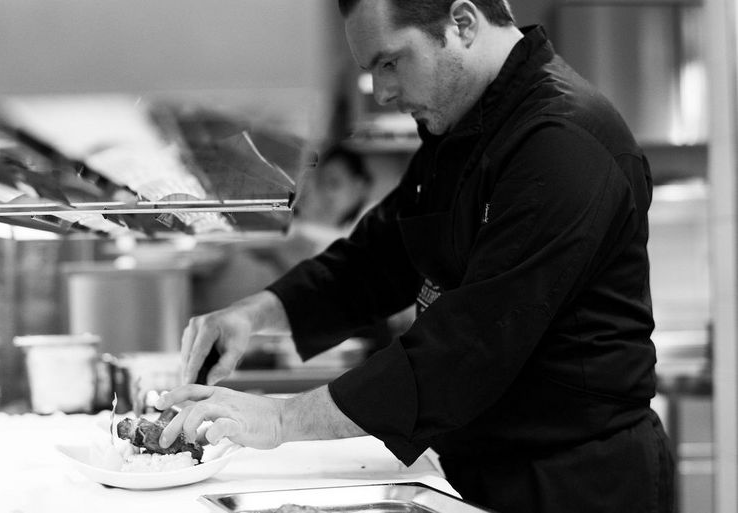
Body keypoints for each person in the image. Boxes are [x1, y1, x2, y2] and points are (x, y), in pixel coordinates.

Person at [156, 1, 675, 511]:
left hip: (575, 483)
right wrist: (257, 312)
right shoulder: (459, 127)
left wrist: (282, 419)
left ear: (463, 22)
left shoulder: (563, 142)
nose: (382, 93)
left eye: (389, 61)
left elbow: (468, 345)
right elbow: (378, 257)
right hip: (478, 468)